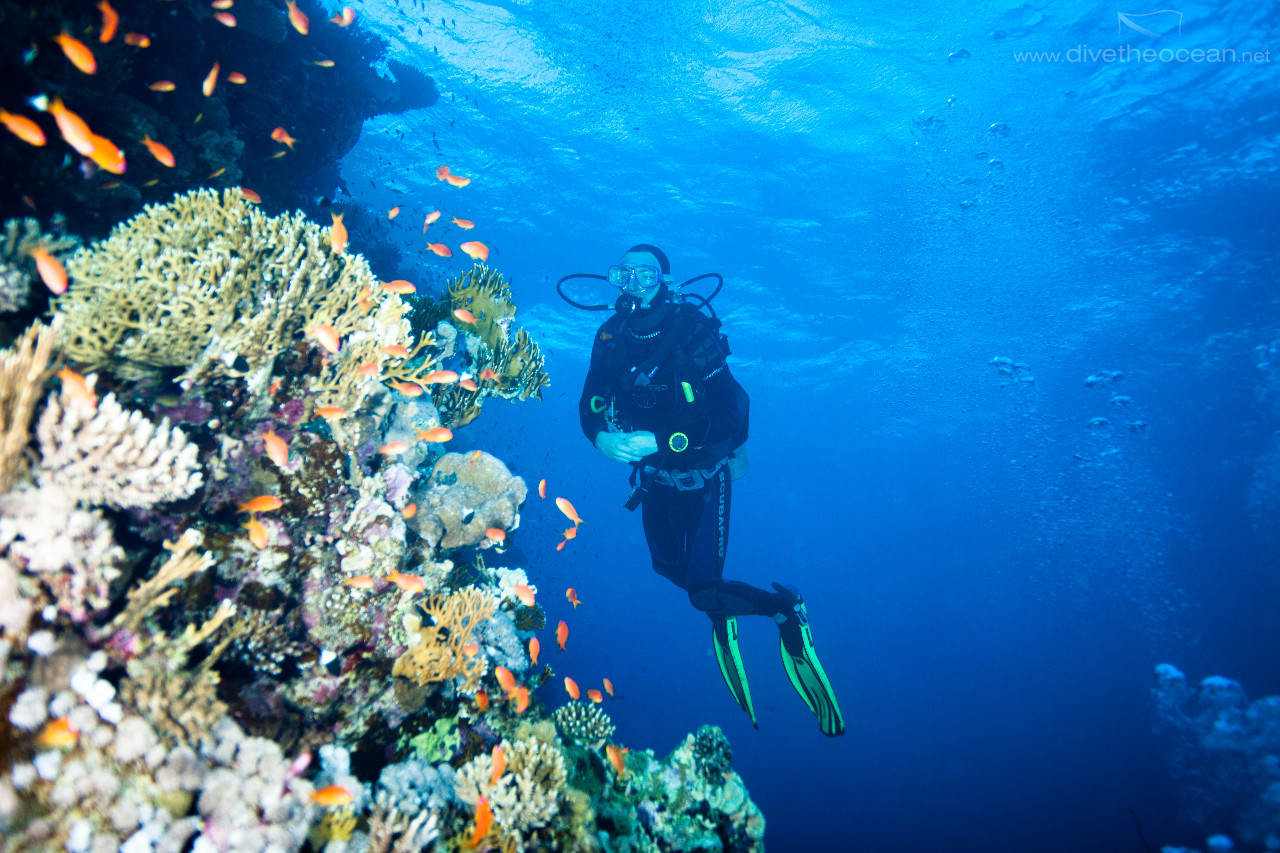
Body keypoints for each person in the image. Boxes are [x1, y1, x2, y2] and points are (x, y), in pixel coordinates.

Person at [577, 244, 845, 737]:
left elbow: (733, 413)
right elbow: (591, 398)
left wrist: (664, 438)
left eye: (646, 273)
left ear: (664, 279)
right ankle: (723, 603)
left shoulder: (692, 331)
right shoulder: (610, 336)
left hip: (704, 481)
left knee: (700, 593)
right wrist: (601, 436)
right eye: (625, 273)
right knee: (665, 569)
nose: (634, 283)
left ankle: (785, 611)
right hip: (655, 481)